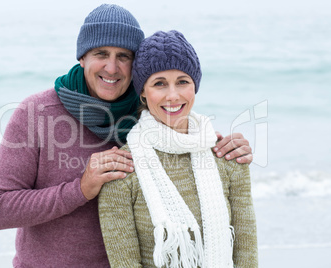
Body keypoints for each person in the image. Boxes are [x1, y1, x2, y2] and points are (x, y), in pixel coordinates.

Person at [0, 4, 253, 268]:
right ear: (82, 57)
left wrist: (223, 148)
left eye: (123, 56)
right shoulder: (37, 113)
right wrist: (80, 189)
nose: (112, 68)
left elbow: (187, 142)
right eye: (101, 53)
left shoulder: (149, 114)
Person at [98, 30, 258, 268]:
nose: (172, 95)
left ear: (195, 86)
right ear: (142, 91)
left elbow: (247, 256)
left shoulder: (227, 158)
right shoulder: (122, 171)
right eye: (159, 84)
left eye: (183, 82)